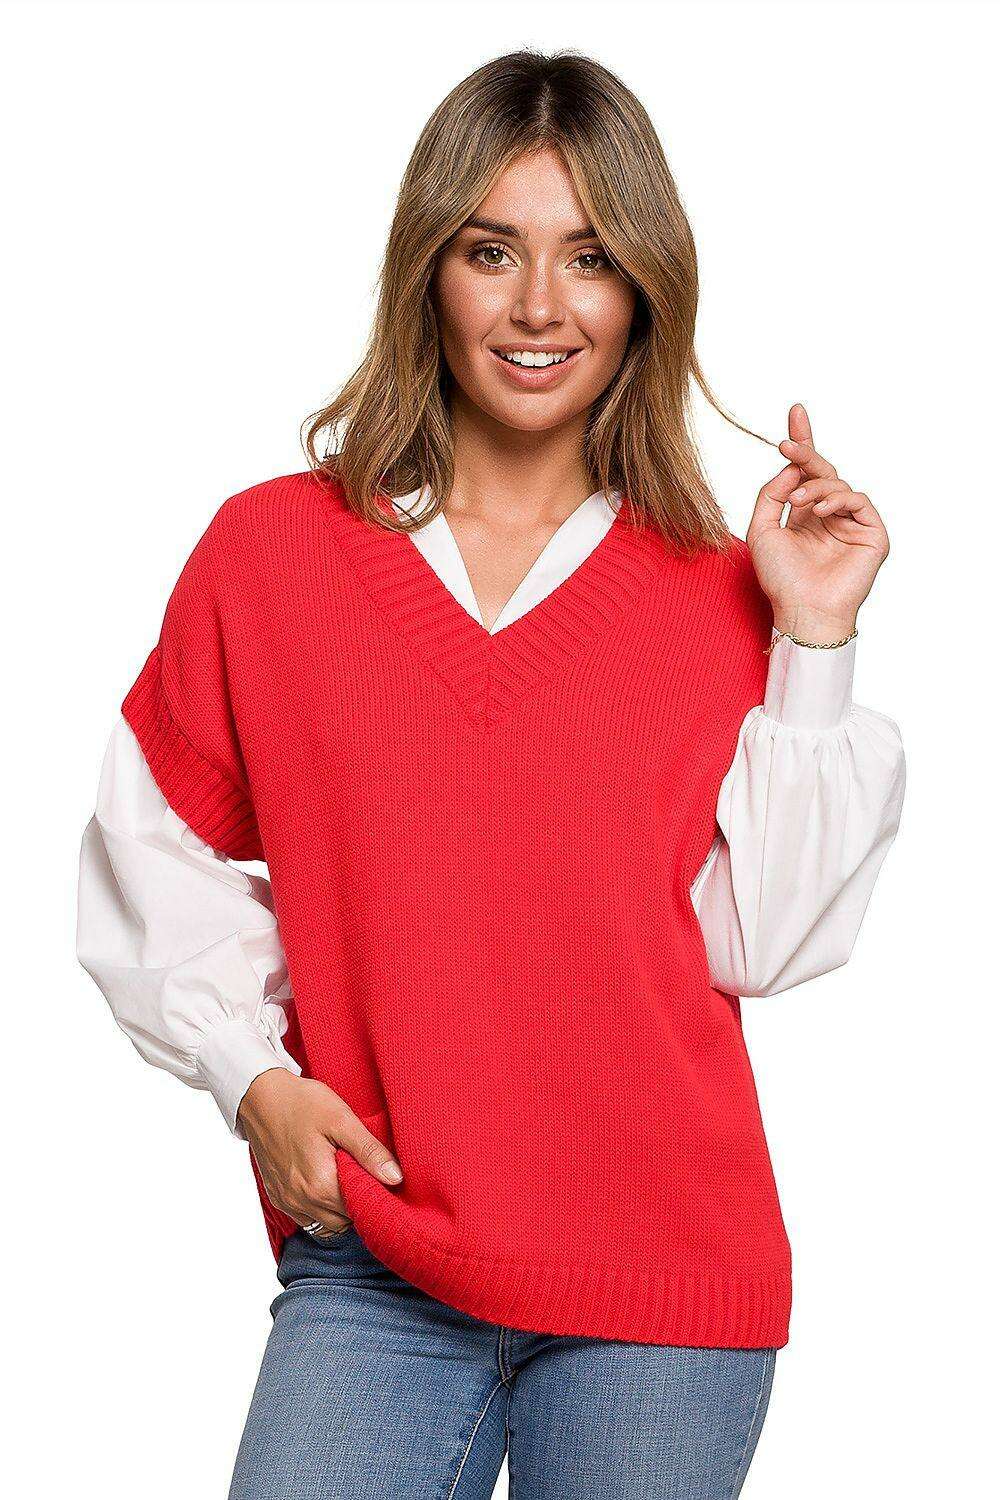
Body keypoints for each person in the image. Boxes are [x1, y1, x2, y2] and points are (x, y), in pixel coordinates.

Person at [76, 48, 906, 1500]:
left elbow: (762, 945)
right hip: (375, 1261)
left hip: (660, 1280)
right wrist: (252, 1079)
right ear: (429, 272)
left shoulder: (721, 592)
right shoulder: (271, 557)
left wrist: (815, 638)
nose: (539, 307)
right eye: (491, 251)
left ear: (644, 289)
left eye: (590, 256)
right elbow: (155, 846)